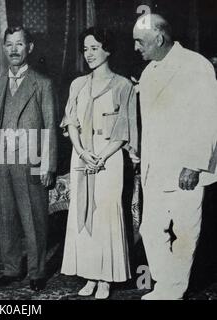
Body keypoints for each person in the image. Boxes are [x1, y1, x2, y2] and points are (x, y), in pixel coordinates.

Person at [133, 14, 217, 300]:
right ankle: (164, 283)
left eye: (140, 41)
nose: (135, 48)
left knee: (183, 230)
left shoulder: (196, 66)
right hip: (154, 168)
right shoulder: (149, 71)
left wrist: (194, 165)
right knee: (150, 228)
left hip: (185, 168)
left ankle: (173, 289)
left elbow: (208, 119)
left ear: (159, 38)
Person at [59, 27, 138, 299]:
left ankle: (106, 278)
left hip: (109, 159)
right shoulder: (77, 85)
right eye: (85, 49)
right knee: (83, 212)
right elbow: (71, 123)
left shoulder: (123, 85)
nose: (89, 54)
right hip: (81, 157)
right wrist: (82, 153)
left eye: (94, 48)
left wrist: (102, 156)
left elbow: (125, 130)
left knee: (106, 214)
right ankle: (90, 275)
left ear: (108, 49)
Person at [0, 26, 58, 292]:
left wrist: (49, 164)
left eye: (19, 44)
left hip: (32, 160)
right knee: (6, 219)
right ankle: (11, 269)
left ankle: (37, 271)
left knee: (34, 218)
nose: (14, 49)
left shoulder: (42, 83)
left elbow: (50, 125)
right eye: (9, 45)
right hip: (3, 161)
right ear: (3, 49)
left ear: (30, 48)